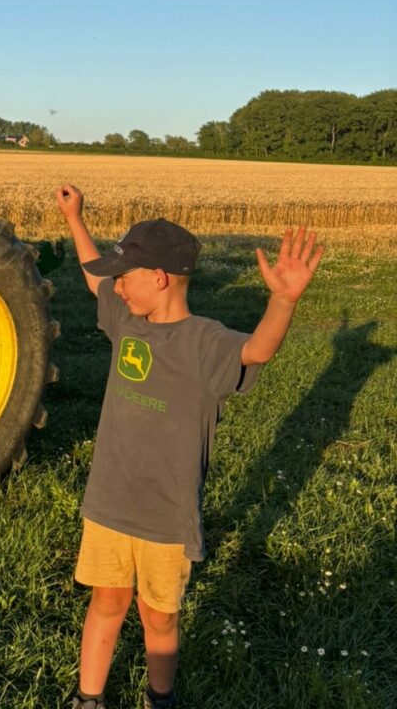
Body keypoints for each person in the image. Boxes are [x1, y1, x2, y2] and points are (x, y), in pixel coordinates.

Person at [54, 183, 323, 709]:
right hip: (109, 501)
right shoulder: (129, 318)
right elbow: (94, 280)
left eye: (125, 279)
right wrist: (75, 218)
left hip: (166, 516)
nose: (118, 289)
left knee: (159, 615)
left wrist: (283, 300)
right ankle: (89, 700)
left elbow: (257, 349)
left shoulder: (206, 341)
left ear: (158, 278)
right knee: (106, 600)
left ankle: (161, 697)